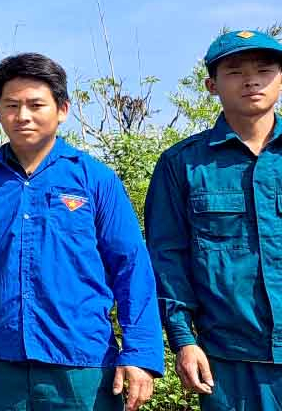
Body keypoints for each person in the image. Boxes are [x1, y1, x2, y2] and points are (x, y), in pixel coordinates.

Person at [0, 53, 163, 410]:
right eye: (11, 105)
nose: (22, 115)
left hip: (83, 369)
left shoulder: (94, 179)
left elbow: (131, 267)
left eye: (35, 104)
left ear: (62, 110)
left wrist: (140, 353)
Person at [145, 30, 282, 410]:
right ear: (211, 85)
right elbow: (167, 258)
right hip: (229, 361)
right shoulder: (182, 164)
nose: (252, 80)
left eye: (265, 69)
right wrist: (183, 340)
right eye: (235, 72)